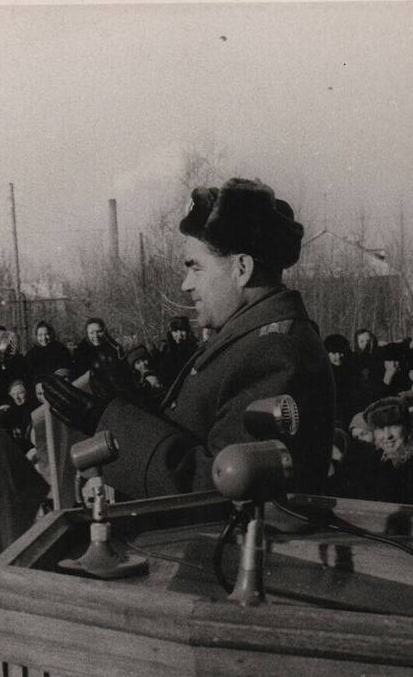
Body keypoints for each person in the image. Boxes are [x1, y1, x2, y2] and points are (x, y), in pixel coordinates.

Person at [41, 178, 334, 499]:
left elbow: (219, 485)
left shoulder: (274, 352)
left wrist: (109, 425)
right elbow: (199, 438)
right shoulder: (247, 340)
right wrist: (134, 406)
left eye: (196, 268)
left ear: (242, 269)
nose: (185, 284)